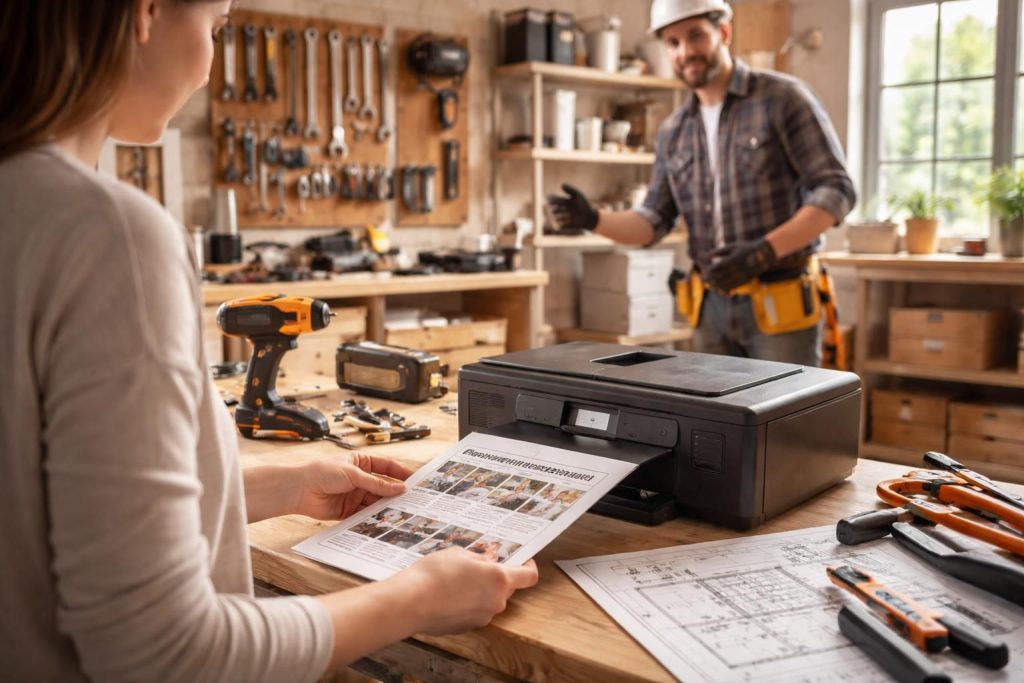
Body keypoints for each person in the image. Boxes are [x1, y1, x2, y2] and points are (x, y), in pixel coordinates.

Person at [0, 2, 537, 681]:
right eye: (218, 27)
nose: (212, 60)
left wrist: (270, 487)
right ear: (146, 13)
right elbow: (165, 655)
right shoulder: (105, 233)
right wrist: (419, 596)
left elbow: (43, 516)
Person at [548, 0, 855, 366]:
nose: (685, 51)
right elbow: (653, 221)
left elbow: (836, 190)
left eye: (696, 36)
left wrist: (763, 251)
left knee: (785, 419)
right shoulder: (674, 132)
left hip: (780, 303)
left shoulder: (782, 98)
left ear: (723, 32)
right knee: (714, 423)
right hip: (710, 307)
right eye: (673, 42)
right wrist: (593, 220)